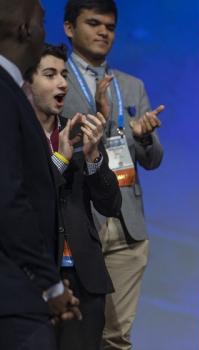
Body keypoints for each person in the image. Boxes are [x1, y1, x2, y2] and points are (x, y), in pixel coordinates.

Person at [60, 1, 165, 348]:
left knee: (116, 336)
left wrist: (144, 135)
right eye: (94, 23)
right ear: (69, 28)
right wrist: (108, 125)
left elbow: (153, 159)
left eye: (110, 26)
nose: (104, 32)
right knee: (73, 330)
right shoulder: (55, 79)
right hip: (75, 221)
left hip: (126, 225)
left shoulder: (131, 86)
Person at [24, 43, 122, 350]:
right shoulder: (14, 133)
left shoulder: (78, 131)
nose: (62, 83)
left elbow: (110, 204)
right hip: (34, 276)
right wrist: (59, 161)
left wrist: (93, 159)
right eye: (50, 75)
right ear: (27, 83)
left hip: (84, 278)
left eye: (64, 74)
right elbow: (25, 200)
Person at [0, 2, 80, 350]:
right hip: (17, 298)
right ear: (25, 27)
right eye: (44, 22)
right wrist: (51, 285)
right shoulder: (4, 95)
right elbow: (9, 198)